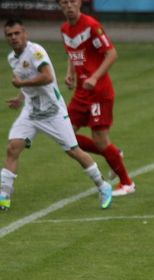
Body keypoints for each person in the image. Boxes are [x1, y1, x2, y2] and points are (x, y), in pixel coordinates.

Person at [1, 19, 112, 210]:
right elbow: (26, 78)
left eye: (17, 33)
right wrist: (21, 96)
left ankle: (103, 186)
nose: (14, 38)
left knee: (73, 151)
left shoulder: (35, 52)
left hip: (52, 111)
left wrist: (21, 85)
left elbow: (47, 77)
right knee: (13, 148)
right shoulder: (12, 58)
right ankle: (4, 196)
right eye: (9, 35)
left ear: (25, 33)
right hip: (31, 111)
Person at [58, 0, 135, 197]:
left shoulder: (91, 26)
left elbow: (111, 53)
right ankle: (113, 154)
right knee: (65, 136)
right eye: (64, 2)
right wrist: (70, 74)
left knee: (100, 140)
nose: (69, 6)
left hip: (99, 91)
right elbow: (73, 53)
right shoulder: (65, 28)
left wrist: (94, 77)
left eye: (72, 1)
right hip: (81, 93)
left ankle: (127, 183)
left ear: (79, 3)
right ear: (60, 5)